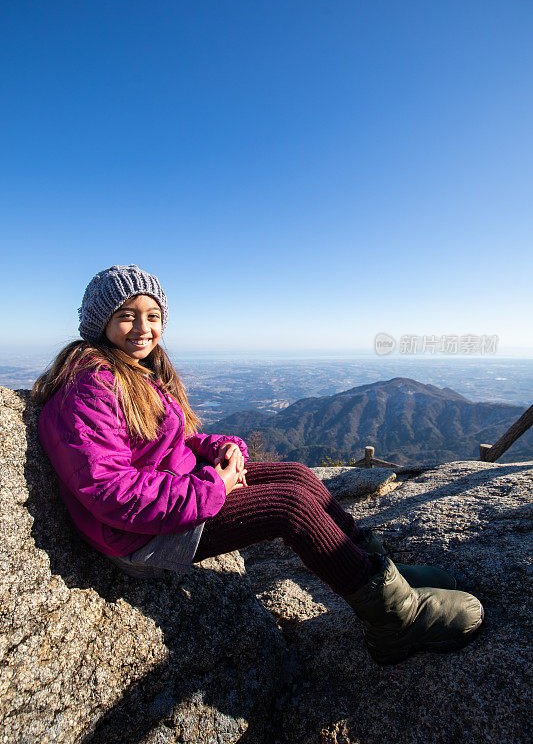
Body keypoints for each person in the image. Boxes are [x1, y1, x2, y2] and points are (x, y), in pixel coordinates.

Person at [33, 264, 484, 666]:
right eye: (126, 315)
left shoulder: (133, 372)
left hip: (170, 496)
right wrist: (216, 486)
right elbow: (113, 493)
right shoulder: (91, 386)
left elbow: (167, 442)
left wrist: (218, 451)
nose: (143, 327)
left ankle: (381, 570)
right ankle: (394, 620)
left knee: (298, 475)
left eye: (152, 316)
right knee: (288, 508)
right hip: (139, 537)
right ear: (100, 323)